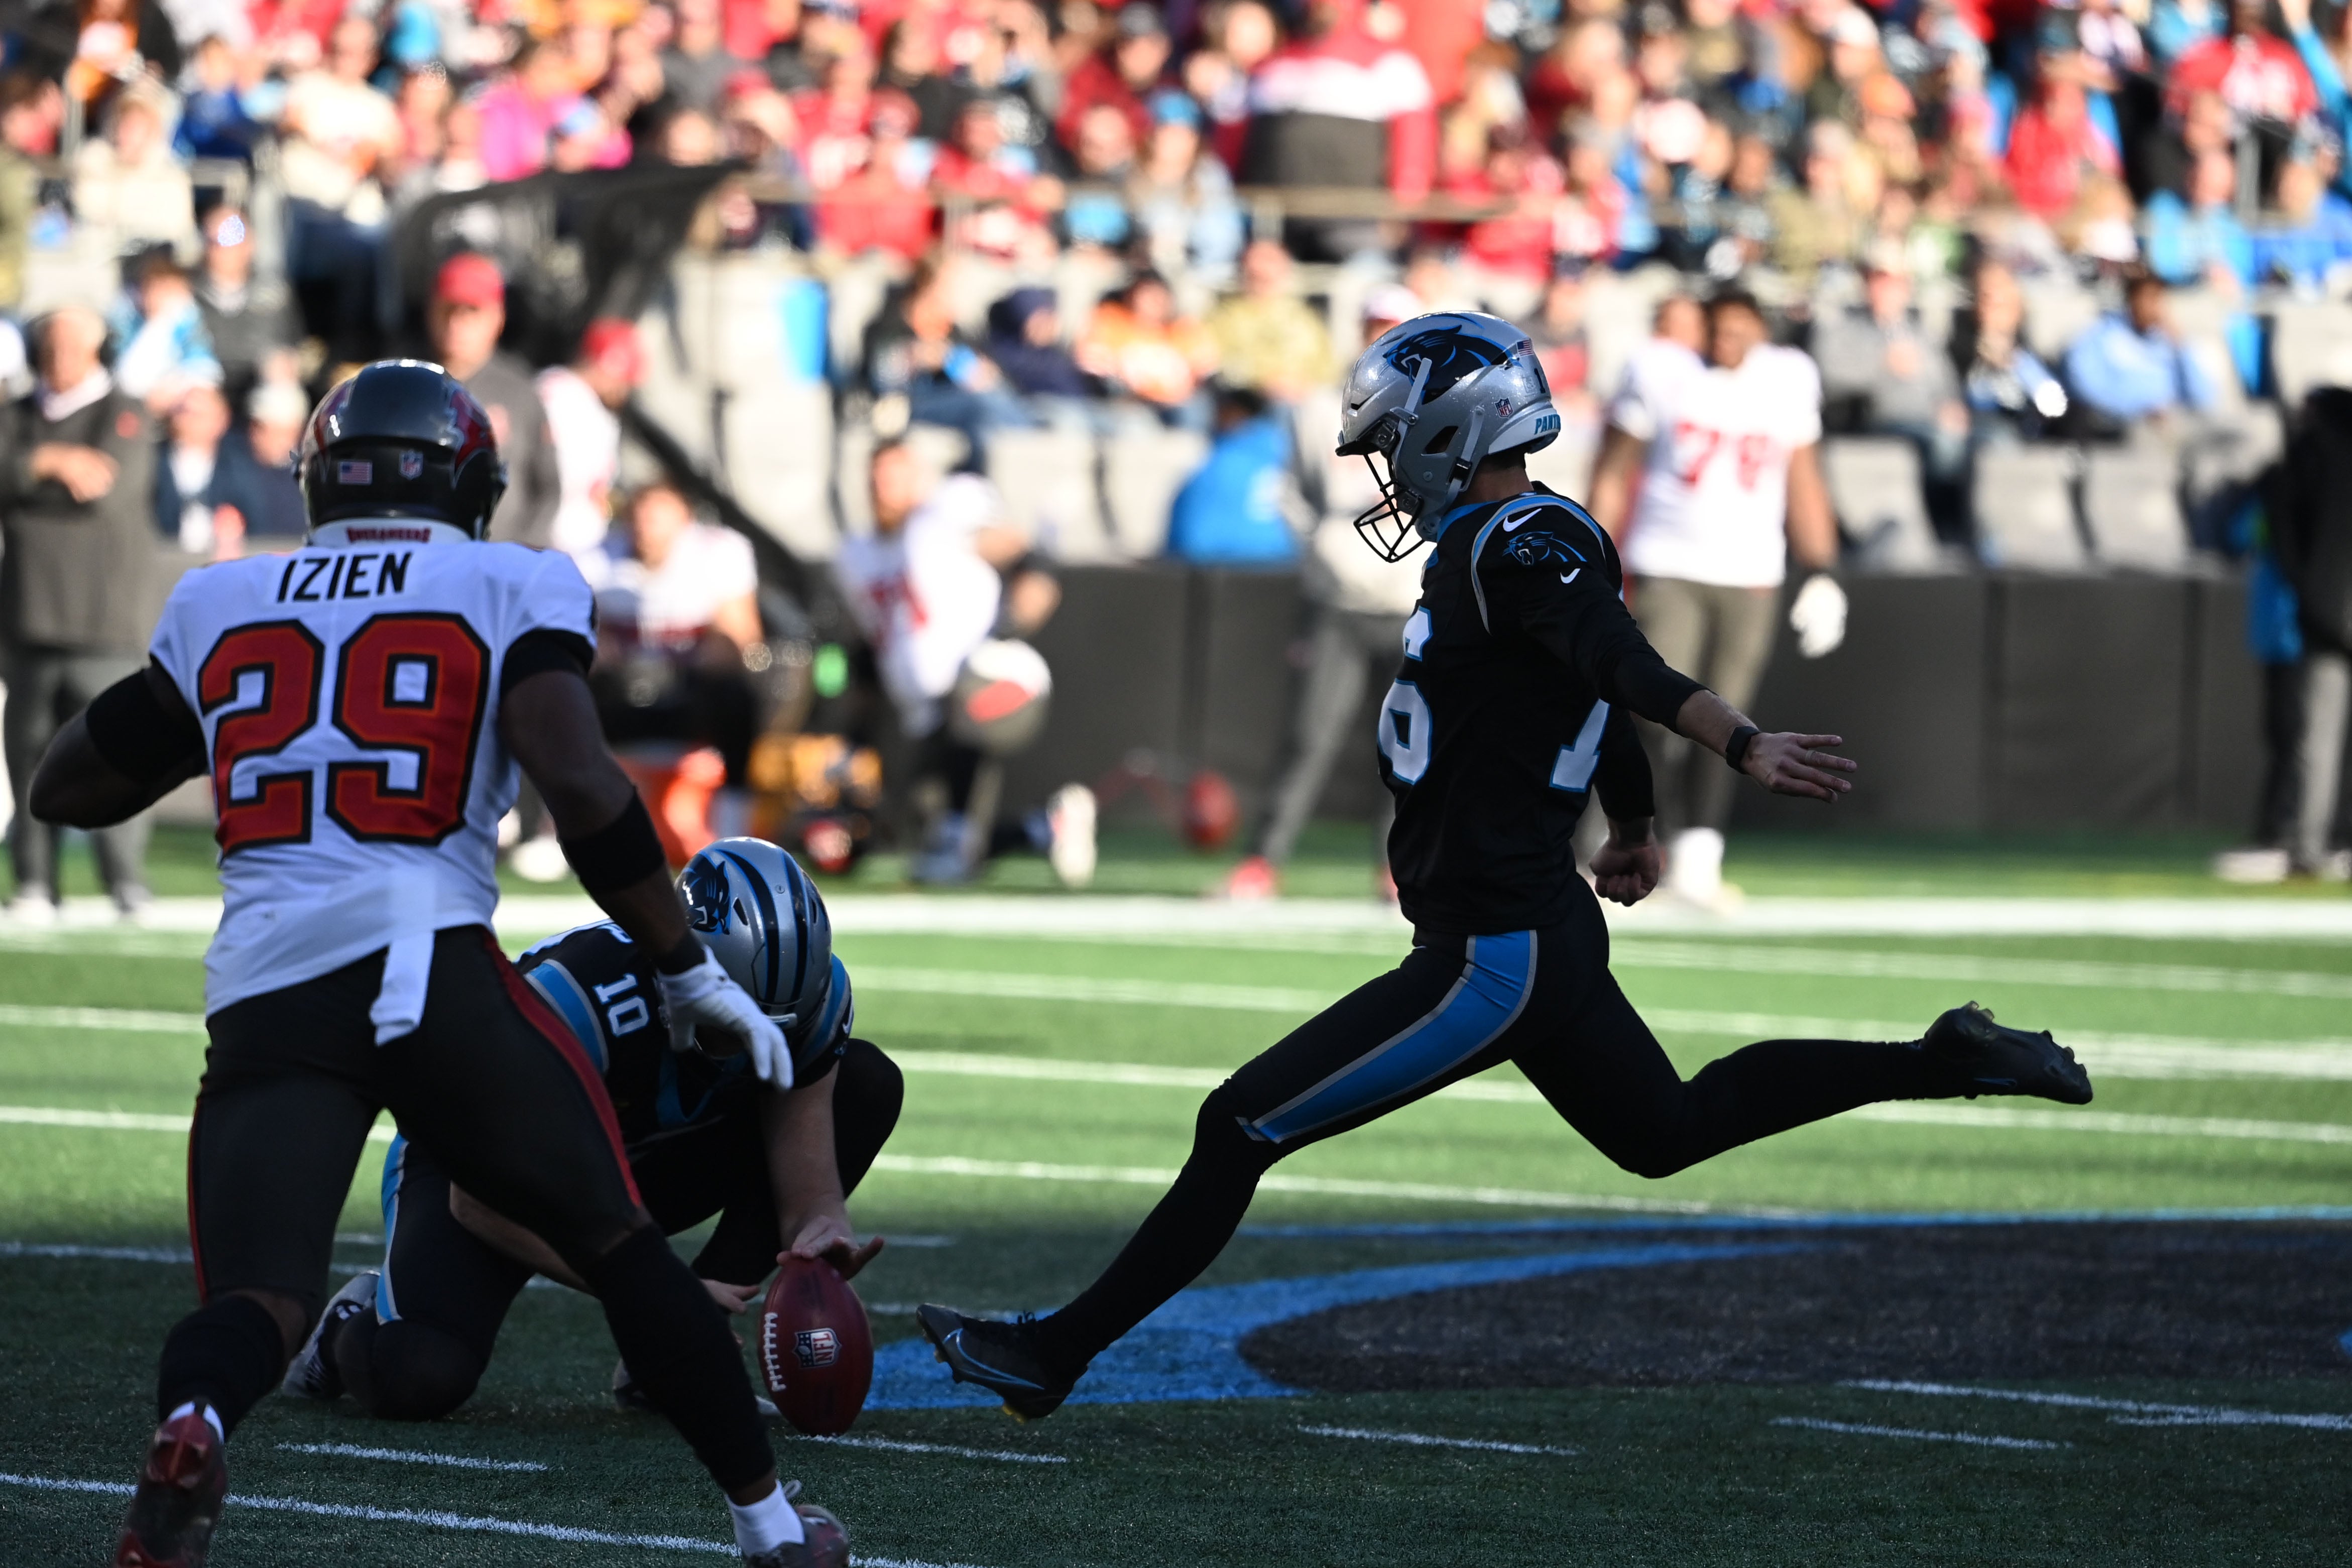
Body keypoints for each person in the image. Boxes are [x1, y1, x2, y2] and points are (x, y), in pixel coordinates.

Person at [912, 312, 2093, 1419]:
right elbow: (1587, 691)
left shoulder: (1521, 540)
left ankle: (1052, 1355)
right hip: (1533, 931)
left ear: (1450, 434)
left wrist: (1738, 743)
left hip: (1494, 950)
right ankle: (1942, 1057)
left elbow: (1620, 664)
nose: (1387, 472)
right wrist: (1632, 823)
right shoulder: (1499, 547)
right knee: (1665, 1128)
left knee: (1238, 1124)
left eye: (1395, 445)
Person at [28, 361, 848, 1568]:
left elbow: (66, 785)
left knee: (258, 1299)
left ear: (319, 481)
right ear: (470, 486)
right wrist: (680, 959)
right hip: (431, 969)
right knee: (619, 1243)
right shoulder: (509, 579)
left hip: (267, 990)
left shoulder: (222, 598)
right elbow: (580, 783)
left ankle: (196, 1421)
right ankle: (771, 1525)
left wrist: (252, 731)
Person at [283, 837, 902, 1422]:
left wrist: (821, 1229)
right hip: (486, 1171)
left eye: (768, 1033)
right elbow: (479, 1202)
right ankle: (344, 1329)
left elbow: (807, 1187)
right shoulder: (577, 1000)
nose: (747, 1048)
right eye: (730, 1025)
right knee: (417, 1374)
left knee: (866, 1084)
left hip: (629, 1157)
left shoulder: (810, 1004)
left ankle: (673, 1359)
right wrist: (654, 1292)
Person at [1586, 290, 1843, 909]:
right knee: (1651, 711)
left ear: (1761, 331)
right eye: (1717, 328)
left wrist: (1821, 570)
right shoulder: (1661, 369)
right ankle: (1622, 837)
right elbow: (1613, 469)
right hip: (1667, 565)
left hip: (1750, 573)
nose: (1725, 340)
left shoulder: (1788, 377)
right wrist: (1591, 555)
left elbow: (1803, 474)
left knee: (1731, 720)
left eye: (1738, 330)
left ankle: (1699, 856)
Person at [1221, 286, 1426, 903]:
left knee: (1409, 744)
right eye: (1374, 326)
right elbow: (1292, 494)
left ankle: (1398, 867)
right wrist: (1321, 551)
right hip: (1338, 598)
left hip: (1409, 599)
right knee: (1309, 735)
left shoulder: (1441, 410)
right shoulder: (1318, 411)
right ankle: (1264, 859)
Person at [834, 439, 1091, 886]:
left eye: (896, 478)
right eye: (877, 480)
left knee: (950, 822)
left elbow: (1028, 557)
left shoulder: (944, 517)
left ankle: (960, 840)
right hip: (918, 706)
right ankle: (1047, 828)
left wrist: (1009, 629)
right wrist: (853, 737)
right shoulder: (855, 554)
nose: (885, 491)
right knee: (912, 827)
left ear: (920, 479)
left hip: (976, 679)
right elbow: (867, 645)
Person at [2, 304, 158, 921]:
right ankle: (35, 881)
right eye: (51, 345)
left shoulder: (124, 412)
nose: (58, 357)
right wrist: (48, 464)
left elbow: (105, 492)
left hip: (104, 619)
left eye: (71, 345)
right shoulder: (16, 414)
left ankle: (126, 881)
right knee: (28, 756)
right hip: (27, 616)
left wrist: (22, 485)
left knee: (116, 754)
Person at [591, 480, 767, 840]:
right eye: (640, 516)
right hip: (620, 695)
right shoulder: (595, 558)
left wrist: (687, 662)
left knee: (736, 696)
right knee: (556, 692)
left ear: (685, 519)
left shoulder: (718, 553)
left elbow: (743, 641)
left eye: (658, 516)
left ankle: (732, 817)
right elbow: (581, 642)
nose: (646, 527)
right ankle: (552, 823)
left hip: (689, 694)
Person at [429, 252, 560, 548]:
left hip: (501, 557)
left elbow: (549, 488)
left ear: (497, 317)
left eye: (471, 311)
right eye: (448, 309)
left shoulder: (520, 393)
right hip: (428, 559)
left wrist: (522, 555)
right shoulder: (409, 386)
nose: (456, 323)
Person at [537, 316, 647, 572]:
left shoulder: (580, 400)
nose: (625, 389)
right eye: (624, 380)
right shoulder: (562, 396)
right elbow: (555, 475)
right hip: (545, 540)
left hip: (561, 545)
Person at [2062, 267, 2218, 432]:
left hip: (2168, 427)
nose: (2153, 307)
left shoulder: (2171, 344)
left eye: (2158, 299)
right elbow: (2081, 382)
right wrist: (2136, 412)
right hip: (2113, 426)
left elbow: (2202, 398)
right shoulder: (2103, 334)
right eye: (2146, 298)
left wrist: (2181, 345)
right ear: (2131, 300)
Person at [192, 205, 300, 410]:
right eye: (213, 240)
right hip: (204, 386)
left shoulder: (274, 294)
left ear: (250, 243)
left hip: (262, 384)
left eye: (231, 238)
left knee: (283, 400)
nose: (221, 249)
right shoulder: (186, 294)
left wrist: (283, 365)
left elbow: (294, 344)